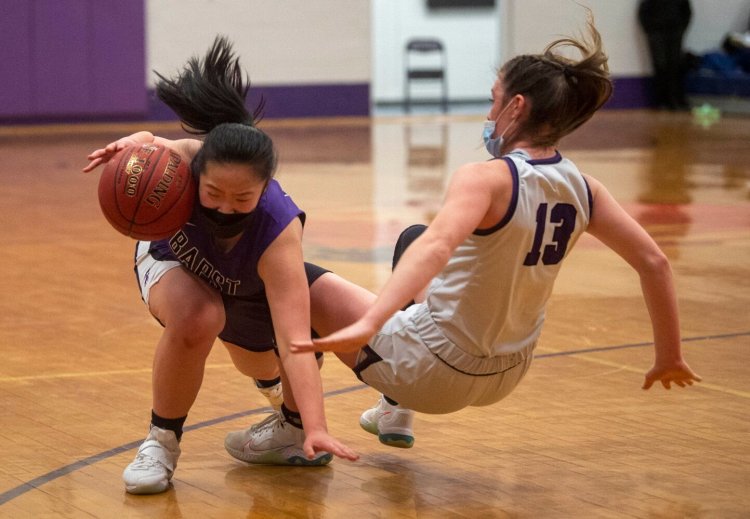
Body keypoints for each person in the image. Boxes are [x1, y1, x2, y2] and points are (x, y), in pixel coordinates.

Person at [266, 11, 701, 451]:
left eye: (495, 100)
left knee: (294, 277)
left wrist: (370, 323)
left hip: (430, 370)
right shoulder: (587, 189)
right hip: (506, 374)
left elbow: (439, 248)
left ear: (516, 107)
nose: (489, 112)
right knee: (412, 237)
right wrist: (669, 355)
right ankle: (395, 413)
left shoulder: (486, 178)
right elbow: (655, 262)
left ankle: (293, 428)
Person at [83, 36, 357, 495]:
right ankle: (161, 442)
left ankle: (282, 409)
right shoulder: (184, 162)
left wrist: (317, 425)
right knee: (199, 316)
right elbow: (151, 147)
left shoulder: (279, 230)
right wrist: (137, 142)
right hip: (172, 253)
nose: (226, 208)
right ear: (197, 173)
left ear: (265, 188)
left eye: (242, 198)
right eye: (213, 194)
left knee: (262, 357)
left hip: (234, 275)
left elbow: (296, 339)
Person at [638, 0, 693, 110]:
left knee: (675, 66)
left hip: (674, 32)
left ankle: (676, 99)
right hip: (657, 33)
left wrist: (680, 29)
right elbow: (643, 12)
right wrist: (650, 30)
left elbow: (687, 11)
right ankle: (662, 100)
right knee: (660, 65)